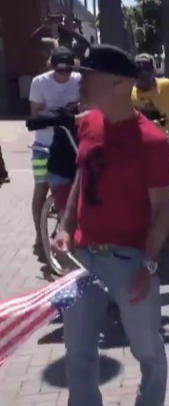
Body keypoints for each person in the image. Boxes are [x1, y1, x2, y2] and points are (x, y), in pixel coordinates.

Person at [51, 44, 169, 406]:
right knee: (78, 350)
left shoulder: (152, 141)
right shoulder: (87, 124)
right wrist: (66, 226)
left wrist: (148, 266)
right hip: (82, 260)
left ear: (120, 83)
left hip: (130, 262)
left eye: (89, 75)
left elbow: (161, 213)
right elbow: (82, 182)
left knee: (148, 350)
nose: (80, 81)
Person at [28, 47, 81, 254]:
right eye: (59, 71)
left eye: (67, 70)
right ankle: (39, 235)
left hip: (69, 144)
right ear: (51, 65)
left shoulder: (79, 80)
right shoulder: (39, 83)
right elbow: (36, 113)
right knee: (41, 189)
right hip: (45, 145)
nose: (64, 75)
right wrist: (61, 114)